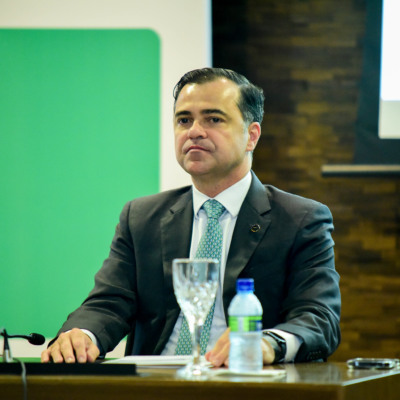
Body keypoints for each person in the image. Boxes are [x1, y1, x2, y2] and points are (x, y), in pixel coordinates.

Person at [41, 67, 341, 366]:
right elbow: (110, 302)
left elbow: (318, 318)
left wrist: (267, 342)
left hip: (246, 380)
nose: (194, 131)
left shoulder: (300, 219)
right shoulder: (142, 217)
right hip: (156, 382)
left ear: (251, 136)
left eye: (213, 119)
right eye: (184, 120)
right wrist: (81, 334)